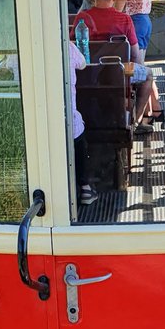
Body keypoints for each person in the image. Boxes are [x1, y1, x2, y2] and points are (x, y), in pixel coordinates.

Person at [72, 0, 162, 132]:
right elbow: (134, 54)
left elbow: (73, 49)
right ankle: (134, 122)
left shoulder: (82, 19)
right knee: (148, 75)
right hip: (121, 74)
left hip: (87, 75)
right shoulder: (124, 19)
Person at [68, 40, 97, 205]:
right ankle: (85, 187)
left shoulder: (18, 49)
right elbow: (83, 64)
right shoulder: (67, 47)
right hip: (67, 119)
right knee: (76, 126)